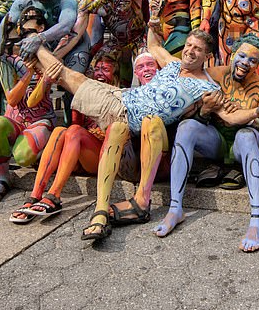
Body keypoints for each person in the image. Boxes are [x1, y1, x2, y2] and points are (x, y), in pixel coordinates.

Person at [34, 26, 257, 242]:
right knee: (70, 76)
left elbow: (231, 117)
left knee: (69, 79)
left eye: (197, 49)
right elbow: (153, 44)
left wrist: (258, 111)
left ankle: (136, 202)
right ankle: (35, 46)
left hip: (134, 118)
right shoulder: (172, 63)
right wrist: (153, 22)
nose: (190, 50)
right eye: (188, 45)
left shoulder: (207, 87)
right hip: (122, 97)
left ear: (207, 55)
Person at [154, 33, 259, 250]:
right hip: (217, 142)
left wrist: (249, 115)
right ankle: (175, 208)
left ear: (258, 64)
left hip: (243, 147)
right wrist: (206, 110)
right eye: (242, 56)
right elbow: (195, 115)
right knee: (187, 127)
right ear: (232, 54)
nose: (245, 63)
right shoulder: (213, 76)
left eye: (252, 60)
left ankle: (258, 221)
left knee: (246, 135)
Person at [10, 49, 162, 224]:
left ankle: (54, 195)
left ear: (115, 73)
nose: (99, 73)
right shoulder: (85, 94)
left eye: (105, 69)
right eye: (97, 69)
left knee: (73, 131)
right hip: (80, 150)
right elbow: (73, 124)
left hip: (104, 156)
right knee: (61, 130)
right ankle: (35, 195)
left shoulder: (122, 96)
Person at [0, 8, 56, 204]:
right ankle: (3, 177)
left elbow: (34, 101)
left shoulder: (46, 57)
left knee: (23, 157)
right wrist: (28, 75)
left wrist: (41, 73)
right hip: (15, 118)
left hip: (39, 119)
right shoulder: (7, 61)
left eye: (23, 38)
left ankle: (40, 150)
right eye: (15, 40)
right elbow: (13, 99)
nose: (19, 45)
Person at [60, 0, 164, 85]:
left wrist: (155, 15)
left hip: (139, 38)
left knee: (148, 67)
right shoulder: (89, 1)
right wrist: (56, 56)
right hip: (117, 40)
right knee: (94, 70)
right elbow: (76, 35)